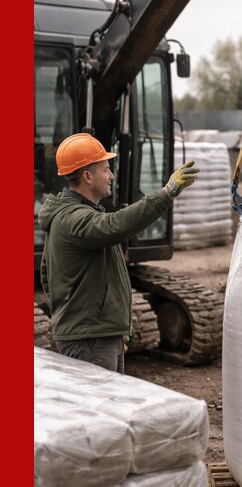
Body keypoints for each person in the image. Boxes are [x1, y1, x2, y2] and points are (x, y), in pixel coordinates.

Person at [38, 132, 200, 374]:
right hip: (89, 339)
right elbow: (115, 225)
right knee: (97, 410)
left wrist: (112, 329)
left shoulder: (79, 215)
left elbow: (45, 275)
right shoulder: (73, 218)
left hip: (97, 335)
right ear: (87, 176)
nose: (112, 175)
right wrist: (166, 193)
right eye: (106, 169)